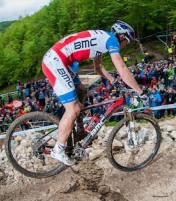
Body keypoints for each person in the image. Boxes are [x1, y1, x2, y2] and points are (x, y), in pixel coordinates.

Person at [41, 20, 148, 165]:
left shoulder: (102, 38)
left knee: (82, 91)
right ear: (122, 37)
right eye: (126, 42)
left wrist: (112, 80)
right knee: (73, 108)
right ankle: (58, 150)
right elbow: (122, 69)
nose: (124, 46)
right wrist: (139, 91)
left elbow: (98, 67)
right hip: (56, 61)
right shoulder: (111, 41)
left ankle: (79, 130)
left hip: (60, 60)